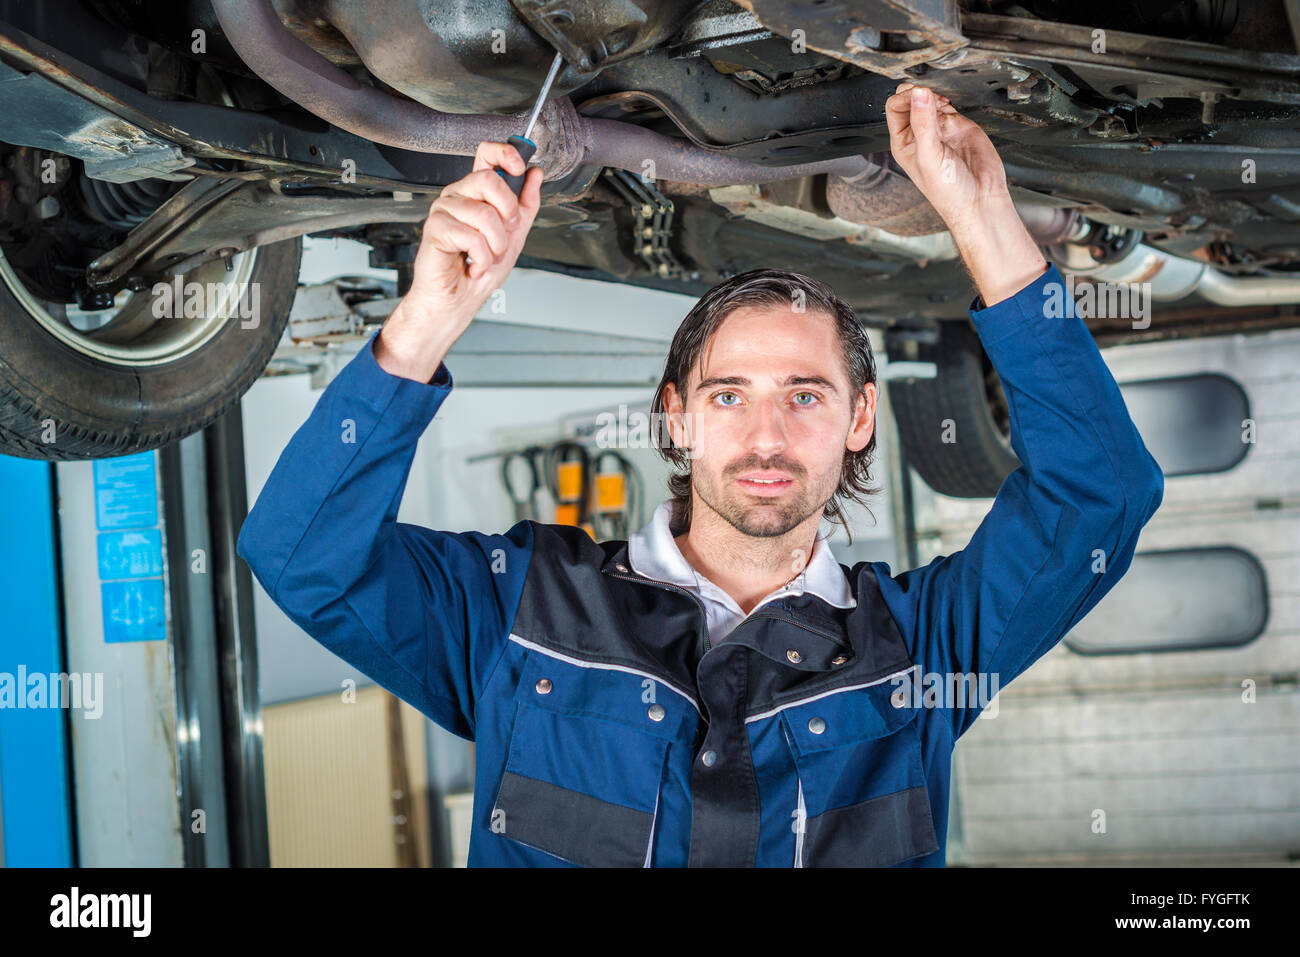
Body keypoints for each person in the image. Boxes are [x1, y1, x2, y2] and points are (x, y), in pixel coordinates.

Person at [236, 83, 1163, 867]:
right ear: (675, 415)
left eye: (805, 395)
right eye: (728, 396)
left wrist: (987, 221)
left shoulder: (923, 653)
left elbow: (1101, 498)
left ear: (860, 418)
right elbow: (301, 552)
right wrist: (427, 319)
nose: (766, 435)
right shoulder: (518, 611)